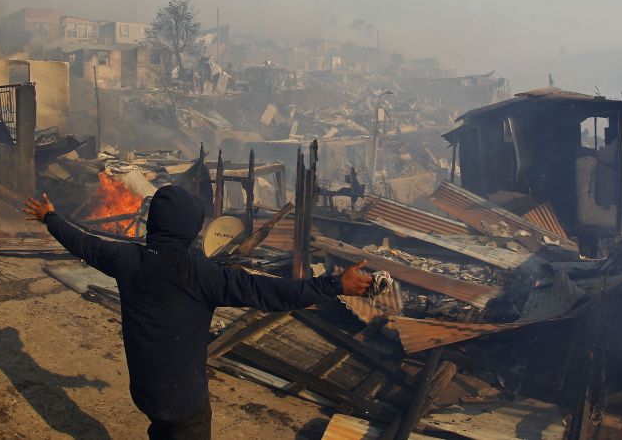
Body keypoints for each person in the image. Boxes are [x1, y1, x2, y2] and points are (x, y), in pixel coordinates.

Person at [24, 185, 373, 440]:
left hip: (145, 391)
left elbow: (81, 242)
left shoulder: (126, 258)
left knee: (160, 429)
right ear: (190, 227)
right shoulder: (201, 275)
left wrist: (50, 217)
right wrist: (334, 285)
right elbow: (268, 292)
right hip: (184, 400)